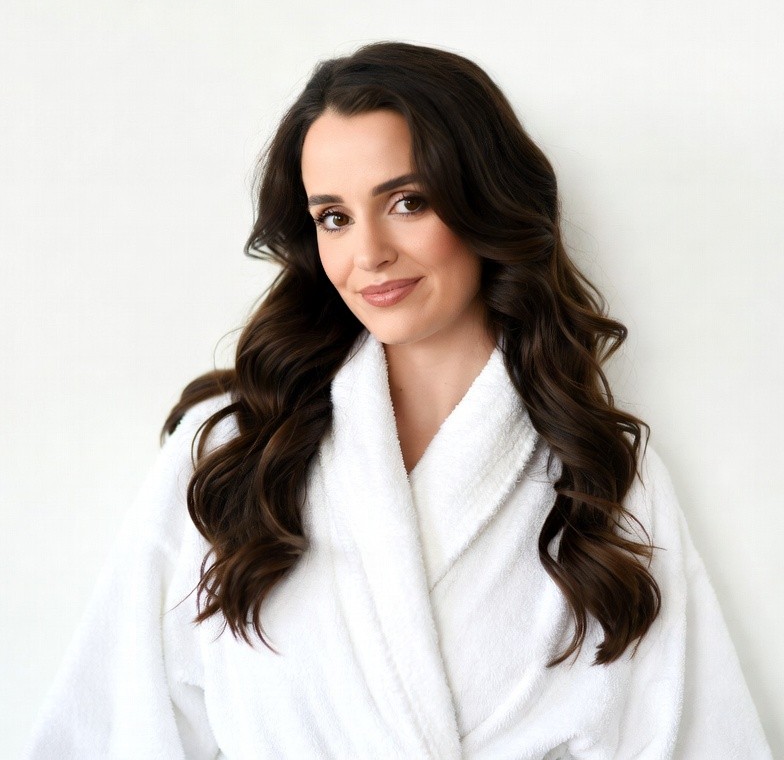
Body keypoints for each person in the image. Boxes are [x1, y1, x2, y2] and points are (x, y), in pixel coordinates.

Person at [25, 42, 771, 759]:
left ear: (485, 204)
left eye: (408, 201)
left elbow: (692, 737)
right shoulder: (231, 450)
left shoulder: (603, 468)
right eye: (334, 218)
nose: (368, 252)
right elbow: (119, 725)